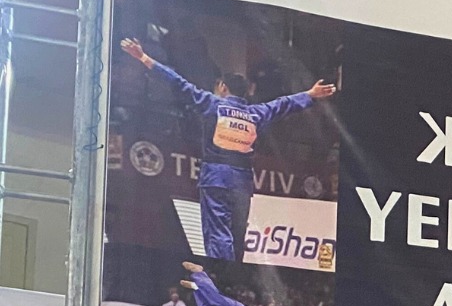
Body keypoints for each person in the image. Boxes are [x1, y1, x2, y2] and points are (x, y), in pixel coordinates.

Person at [119, 38, 336, 261]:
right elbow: (283, 104)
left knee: (218, 235)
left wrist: (144, 58)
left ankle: (220, 273)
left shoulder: (213, 104)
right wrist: (310, 95)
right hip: (242, 184)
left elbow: (178, 83)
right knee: (237, 236)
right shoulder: (256, 113)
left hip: (215, 179)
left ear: (222, 87)